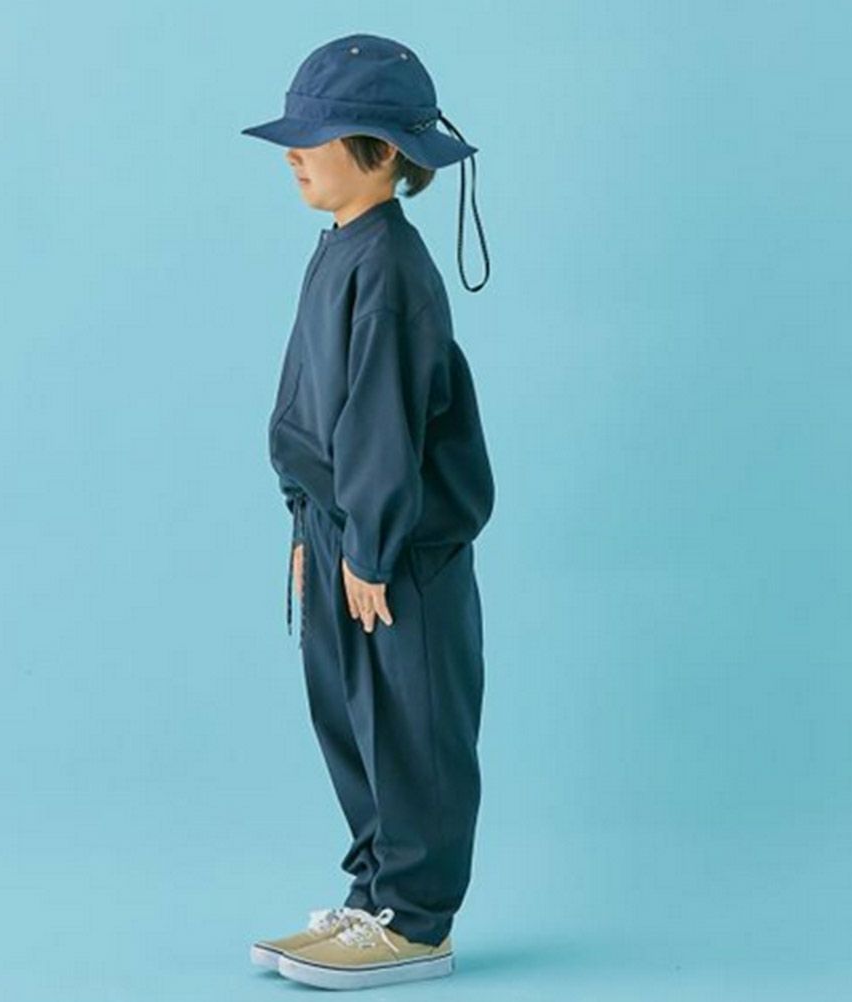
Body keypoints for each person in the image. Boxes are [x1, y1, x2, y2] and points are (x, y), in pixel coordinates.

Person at [241, 32, 495, 991]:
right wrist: (309, 523)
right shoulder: (343, 249)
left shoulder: (388, 264)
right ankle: (374, 898)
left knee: (410, 723)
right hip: (337, 528)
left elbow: (382, 416)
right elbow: (315, 403)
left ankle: (416, 920)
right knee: (352, 722)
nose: (294, 155)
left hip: (394, 546)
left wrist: (372, 548)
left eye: (316, 137)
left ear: (384, 152)